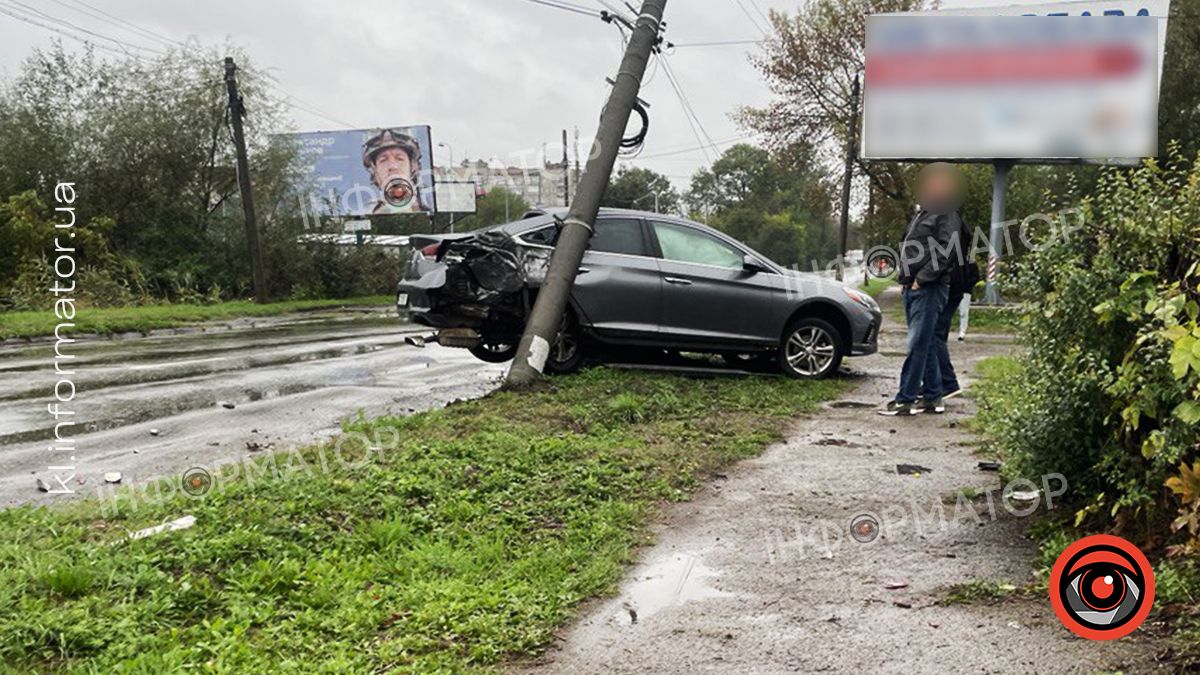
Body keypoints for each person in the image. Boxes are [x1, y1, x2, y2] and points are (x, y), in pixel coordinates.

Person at [879, 163, 965, 416]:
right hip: (913, 287)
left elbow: (947, 250)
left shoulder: (946, 213)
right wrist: (906, 281)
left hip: (929, 288)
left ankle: (905, 399)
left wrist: (923, 279)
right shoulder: (923, 213)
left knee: (917, 344)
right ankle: (933, 398)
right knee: (925, 344)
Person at [922, 219, 980, 405]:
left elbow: (945, 254)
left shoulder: (947, 220)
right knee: (937, 334)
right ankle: (937, 382)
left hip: (949, 283)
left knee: (934, 335)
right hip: (956, 283)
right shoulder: (958, 224)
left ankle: (947, 382)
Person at [361, 128, 429, 215]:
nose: (393, 167)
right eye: (383, 160)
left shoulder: (428, 210)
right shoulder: (366, 214)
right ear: (375, 172)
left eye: (400, 159)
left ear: (412, 167)